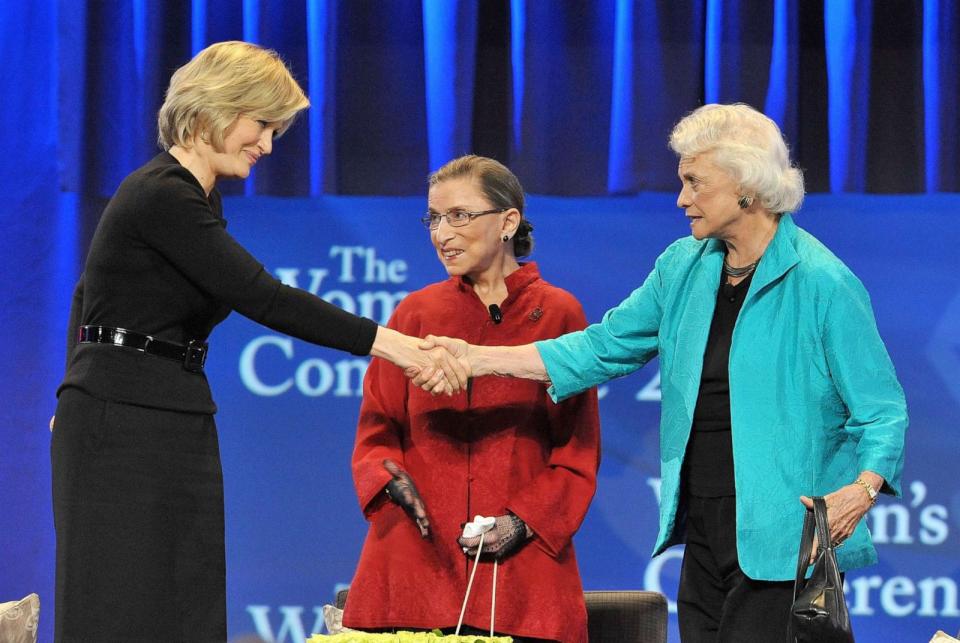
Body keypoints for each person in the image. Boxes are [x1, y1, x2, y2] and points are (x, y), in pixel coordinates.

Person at [416, 104, 908, 642]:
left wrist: (861, 489)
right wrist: (477, 358)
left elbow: (881, 410)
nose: (681, 199)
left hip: (786, 537)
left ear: (746, 186)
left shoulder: (822, 282)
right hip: (704, 529)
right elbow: (602, 347)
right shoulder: (683, 266)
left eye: (695, 182)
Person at [51, 41, 465, 643]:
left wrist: (70, 386)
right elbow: (262, 296)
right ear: (216, 109)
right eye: (263, 126)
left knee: (185, 603)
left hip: (171, 411)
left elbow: (86, 293)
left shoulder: (196, 198)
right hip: (121, 422)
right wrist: (398, 347)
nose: (268, 146)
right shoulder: (160, 193)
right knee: (123, 606)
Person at [342, 155, 601, 643]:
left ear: (508, 221)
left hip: (520, 571)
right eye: (435, 219)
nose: (443, 233)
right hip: (414, 561)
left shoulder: (559, 313)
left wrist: (523, 523)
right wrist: (387, 479)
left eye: (459, 216)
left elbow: (576, 452)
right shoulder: (416, 312)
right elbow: (376, 430)